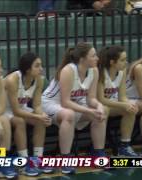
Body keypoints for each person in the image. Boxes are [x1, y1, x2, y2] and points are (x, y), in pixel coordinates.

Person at [42, 42, 108, 174]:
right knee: (69, 114)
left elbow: (91, 99)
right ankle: (65, 158)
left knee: (101, 113)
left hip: (74, 103)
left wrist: (99, 106)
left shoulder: (94, 71)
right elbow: (65, 102)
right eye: (93, 55)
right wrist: (89, 110)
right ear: (83, 59)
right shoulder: (68, 70)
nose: (97, 58)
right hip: (51, 103)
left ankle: (98, 153)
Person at [4, 52, 54, 176]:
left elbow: (36, 105)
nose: (41, 69)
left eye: (41, 65)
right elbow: (16, 111)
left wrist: (42, 115)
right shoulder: (12, 79)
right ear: (27, 69)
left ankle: (37, 159)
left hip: (21, 108)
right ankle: (23, 163)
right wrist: (37, 115)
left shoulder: (39, 80)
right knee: (20, 121)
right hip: (3, 110)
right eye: (37, 66)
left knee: (40, 121)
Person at [97, 45, 139, 157]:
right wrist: (123, 104)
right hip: (96, 105)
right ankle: (97, 148)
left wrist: (128, 103)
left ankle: (124, 145)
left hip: (109, 103)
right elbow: (101, 99)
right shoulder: (100, 72)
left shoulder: (122, 71)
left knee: (131, 108)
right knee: (104, 109)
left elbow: (122, 96)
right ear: (112, 62)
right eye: (123, 60)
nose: (126, 62)